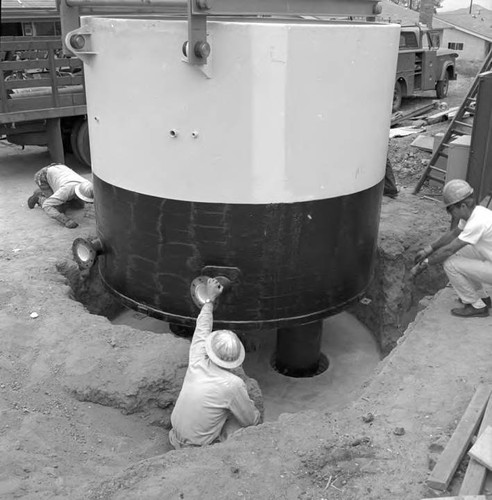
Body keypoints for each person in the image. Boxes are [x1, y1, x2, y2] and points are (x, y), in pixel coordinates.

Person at [169, 278, 261, 449]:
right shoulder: (233, 385)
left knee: (223, 411)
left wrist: (210, 299)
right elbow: (250, 420)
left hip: (174, 436)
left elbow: (202, 329)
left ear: (211, 350)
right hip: (196, 448)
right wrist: (256, 410)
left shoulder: (198, 360)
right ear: (235, 360)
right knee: (238, 426)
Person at [412, 179, 492, 318]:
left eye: (450, 209)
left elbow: (449, 250)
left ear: (462, 206)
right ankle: (482, 297)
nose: (449, 213)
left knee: (450, 263)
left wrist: (424, 264)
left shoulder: (476, 223)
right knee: (460, 253)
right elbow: (454, 233)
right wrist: (428, 249)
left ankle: (475, 305)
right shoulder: (475, 213)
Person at [27, 163, 94, 229]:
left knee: (79, 205)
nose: (88, 202)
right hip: (42, 176)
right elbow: (47, 205)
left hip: (59, 170)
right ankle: (39, 197)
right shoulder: (65, 191)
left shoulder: (87, 185)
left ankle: (60, 198)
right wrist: (65, 220)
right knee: (58, 209)